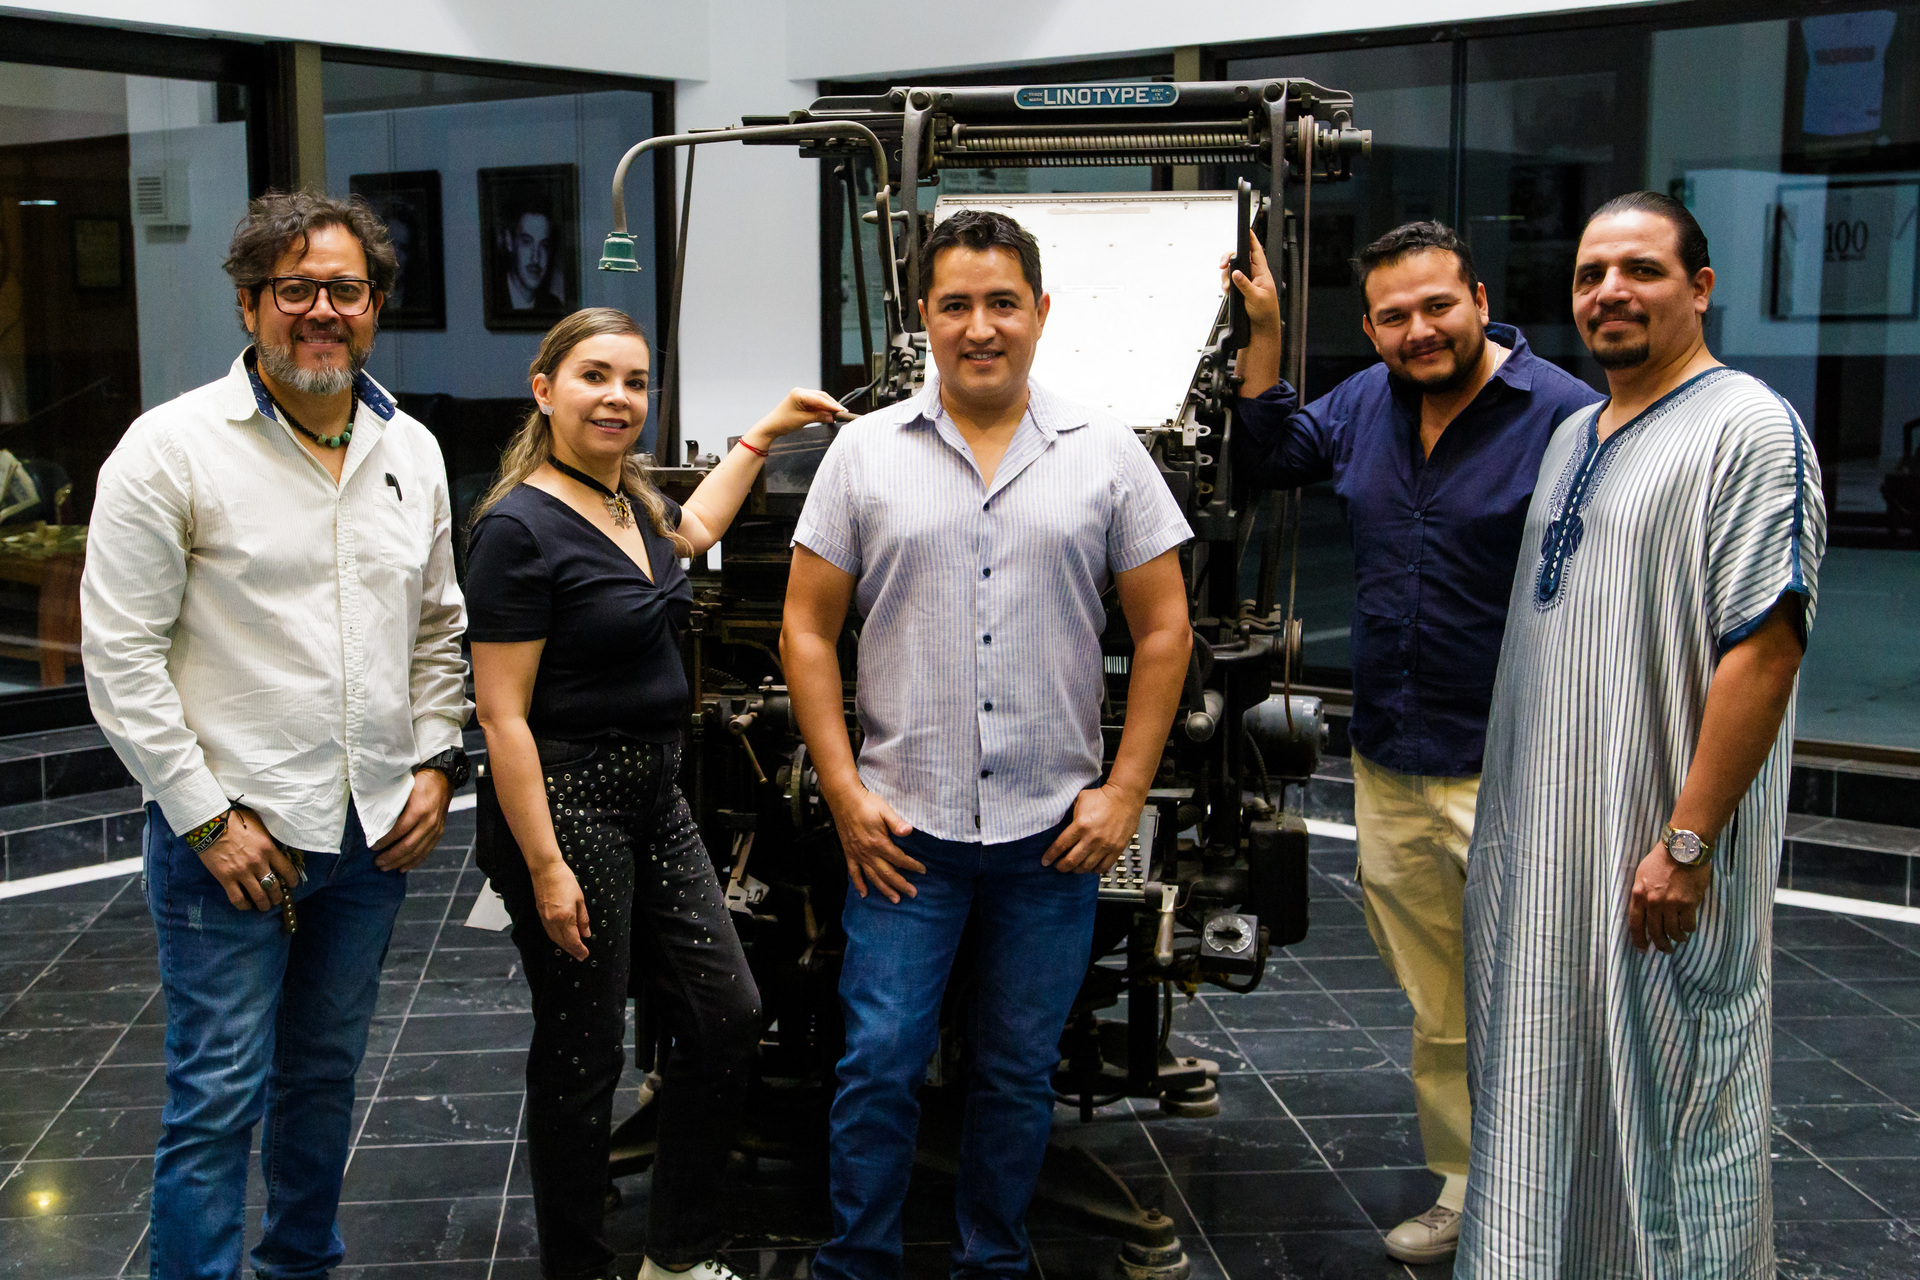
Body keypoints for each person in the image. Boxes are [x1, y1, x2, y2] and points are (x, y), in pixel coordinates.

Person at [782, 209, 1195, 1280]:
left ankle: (995, 1261)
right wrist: (844, 792)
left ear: (1041, 312)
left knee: (1018, 1071)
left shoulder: (1106, 452)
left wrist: (1124, 793)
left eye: (1002, 302)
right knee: (878, 1063)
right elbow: (806, 630)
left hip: (1049, 837)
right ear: (924, 316)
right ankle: (857, 1263)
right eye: (957, 304)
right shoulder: (863, 454)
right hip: (902, 836)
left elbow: (1165, 629)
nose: (980, 326)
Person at [80, 190, 470, 1280]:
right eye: (295, 289)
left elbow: (438, 628)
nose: (322, 311)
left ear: (375, 306)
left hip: (371, 837)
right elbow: (119, 659)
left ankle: (300, 1263)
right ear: (250, 305)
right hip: (232, 843)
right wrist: (207, 820)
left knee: (325, 1076)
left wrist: (436, 760)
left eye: (346, 289)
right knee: (216, 1096)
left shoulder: (411, 450)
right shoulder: (170, 450)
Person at [1457, 192, 1826, 1277]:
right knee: (1536, 1096)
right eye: (1590, 275)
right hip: (1543, 866)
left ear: (1700, 289)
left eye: (1641, 270)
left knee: (1674, 1112)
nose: (1610, 292)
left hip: (1655, 867)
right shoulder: (1574, 434)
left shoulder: (1749, 429)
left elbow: (1766, 650)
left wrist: (1688, 842)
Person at [1227, 222, 1602, 1263]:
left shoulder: (1568, 417)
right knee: (1439, 997)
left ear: (1479, 299)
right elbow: (1267, 455)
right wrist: (1266, 332)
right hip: (1392, 758)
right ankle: (1468, 1183)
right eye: (1394, 316)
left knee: (1543, 990)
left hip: (1518, 764)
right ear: (1370, 328)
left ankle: (1564, 1196)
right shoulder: (1364, 403)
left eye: (1438, 305)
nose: (1419, 330)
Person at [465, 306, 843, 1280]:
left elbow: (699, 526)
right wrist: (546, 866)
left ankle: (676, 1256)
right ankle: (580, 1266)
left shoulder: (627, 500)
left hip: (655, 797)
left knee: (727, 1013)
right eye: (594, 376)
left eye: (634, 381)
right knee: (583, 1051)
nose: (619, 398)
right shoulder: (517, 528)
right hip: (570, 803)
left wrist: (768, 429)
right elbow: (502, 717)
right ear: (544, 390)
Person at [501, 202, 564, 311]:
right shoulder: (491, 300)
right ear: (509, 241)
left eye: (544, 245)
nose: (535, 258)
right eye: (527, 242)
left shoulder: (554, 307)